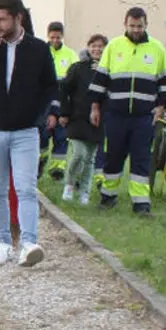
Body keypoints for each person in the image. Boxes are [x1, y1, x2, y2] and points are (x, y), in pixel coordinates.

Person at [0, 0, 59, 267]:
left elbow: (50, 86)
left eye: (2, 19)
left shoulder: (38, 49)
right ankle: (3, 243)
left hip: (25, 131)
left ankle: (29, 242)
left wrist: (39, 115)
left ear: (18, 18)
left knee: (26, 188)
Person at [89, 7, 166, 216]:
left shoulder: (157, 49)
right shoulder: (113, 46)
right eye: (132, 26)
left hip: (144, 117)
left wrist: (161, 106)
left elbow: (165, 82)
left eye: (139, 26)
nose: (136, 30)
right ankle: (108, 197)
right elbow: (100, 80)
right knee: (113, 156)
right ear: (125, 24)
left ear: (146, 25)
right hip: (116, 114)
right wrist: (95, 107)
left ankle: (141, 204)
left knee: (141, 158)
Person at [59, 34, 108, 204]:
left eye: (100, 46)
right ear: (88, 47)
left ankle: (84, 192)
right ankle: (69, 185)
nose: (97, 49)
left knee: (90, 159)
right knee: (78, 154)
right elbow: (64, 90)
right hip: (77, 118)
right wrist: (64, 113)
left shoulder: (109, 69)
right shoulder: (77, 68)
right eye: (93, 45)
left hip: (98, 120)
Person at [39, 21, 78, 181]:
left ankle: (57, 169)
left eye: (58, 37)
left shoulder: (70, 55)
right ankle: (39, 161)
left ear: (62, 36)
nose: (55, 40)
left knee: (61, 137)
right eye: (52, 37)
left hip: (62, 103)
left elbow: (74, 81)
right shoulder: (41, 52)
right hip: (44, 104)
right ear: (48, 36)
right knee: (42, 136)